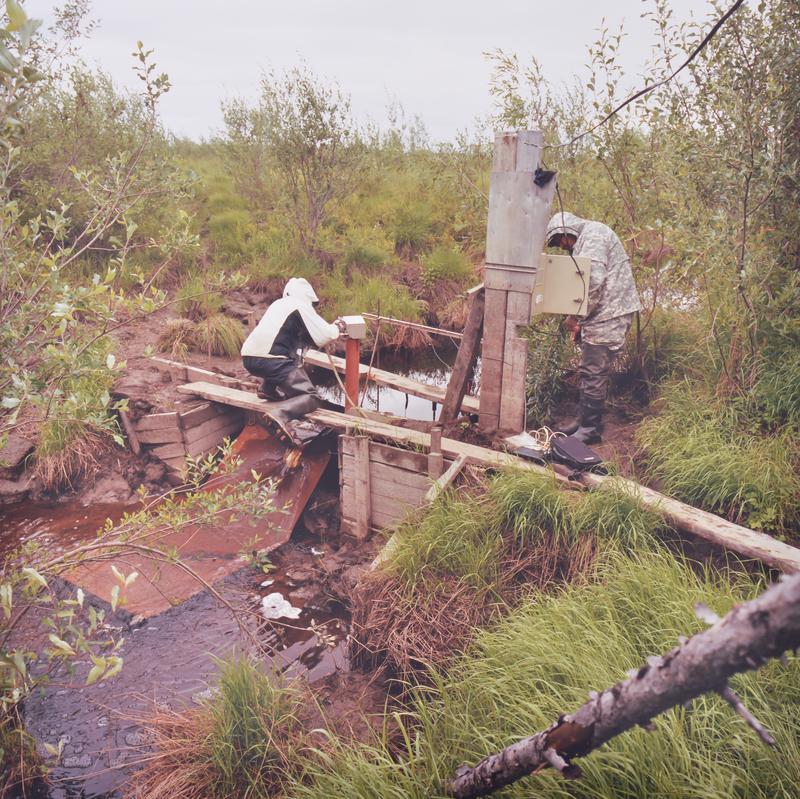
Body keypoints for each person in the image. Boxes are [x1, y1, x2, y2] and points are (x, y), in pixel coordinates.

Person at [545, 211, 641, 444]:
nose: (563, 246)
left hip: (610, 313)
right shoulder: (588, 236)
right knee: (590, 368)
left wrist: (576, 318)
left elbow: (593, 283)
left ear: (566, 231)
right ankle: (583, 420)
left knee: (594, 371)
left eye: (561, 241)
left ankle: (589, 430)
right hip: (603, 313)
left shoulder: (594, 237)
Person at [241, 277, 346, 434]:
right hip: (271, 361)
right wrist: (338, 327)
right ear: (307, 296)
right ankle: (279, 414)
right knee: (311, 396)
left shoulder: (278, 305)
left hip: (248, 358)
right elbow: (324, 335)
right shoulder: (299, 305)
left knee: (282, 359)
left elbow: (284, 338)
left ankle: (267, 389)